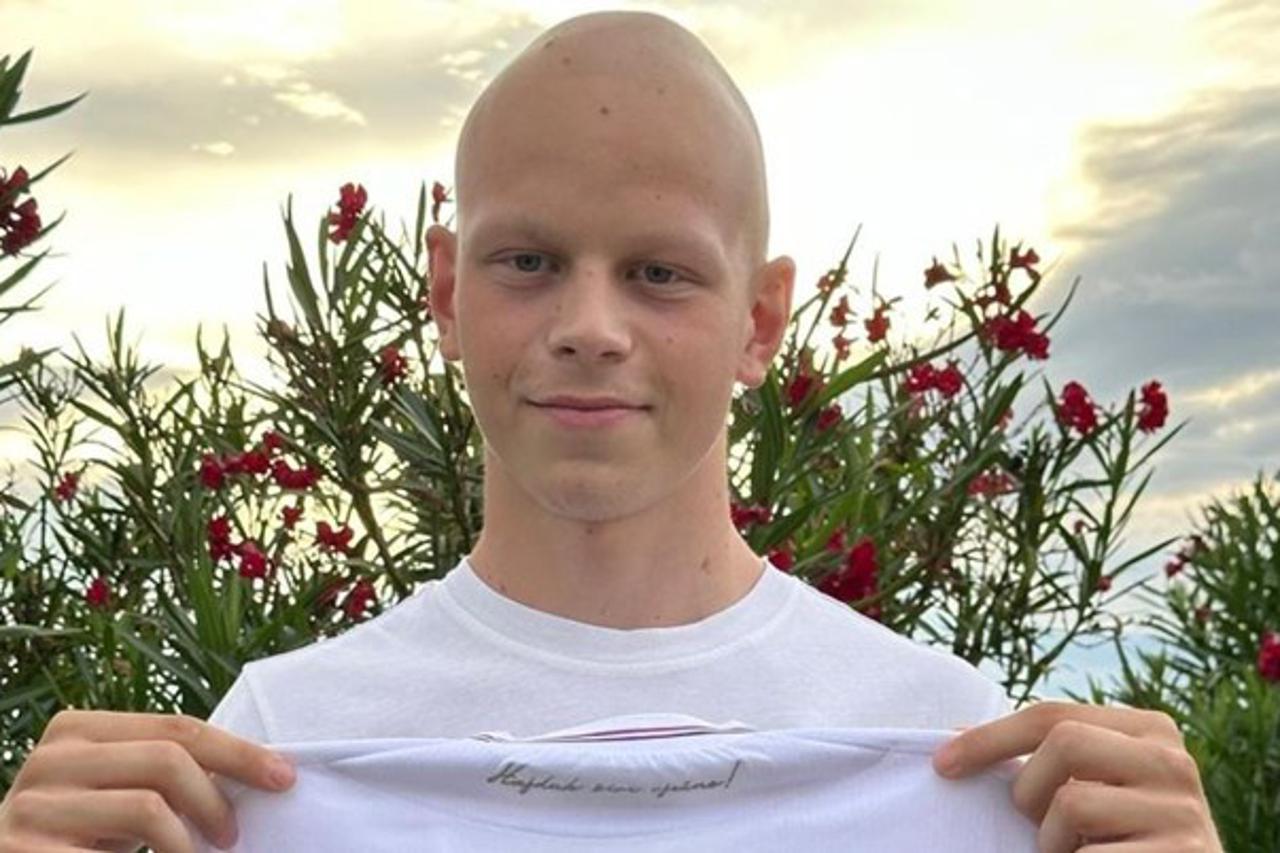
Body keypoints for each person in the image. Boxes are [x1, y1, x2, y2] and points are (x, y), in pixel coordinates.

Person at [0, 10, 1224, 853]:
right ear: (445, 292)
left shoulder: (958, 747)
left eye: (657, 273)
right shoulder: (267, 753)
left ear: (760, 320)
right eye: (528, 261)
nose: (589, 327)